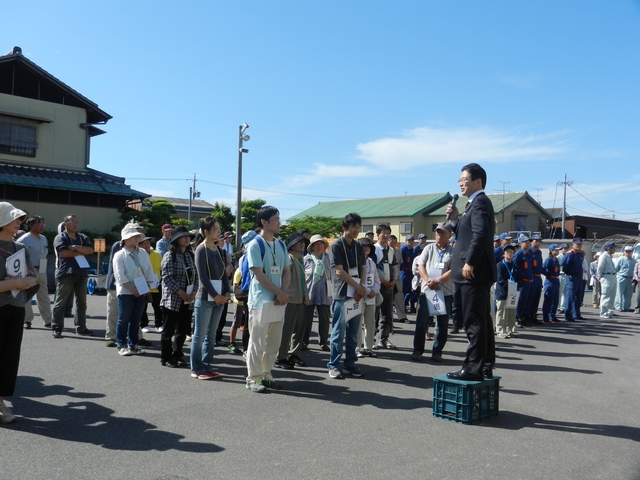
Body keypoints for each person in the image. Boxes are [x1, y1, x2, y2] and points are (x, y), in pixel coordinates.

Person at [446, 163, 497, 381]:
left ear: (478, 181)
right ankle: (484, 364)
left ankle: (473, 368)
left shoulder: (480, 202)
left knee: (474, 321)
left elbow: (480, 234)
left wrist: (470, 262)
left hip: (472, 273)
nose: (460, 182)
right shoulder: (471, 204)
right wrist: (456, 219)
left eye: (464, 179)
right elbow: (465, 234)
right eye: (460, 179)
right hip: (473, 273)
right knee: (482, 320)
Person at [244, 206, 291, 393]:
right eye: (276, 219)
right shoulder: (255, 244)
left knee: (273, 342)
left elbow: (287, 271)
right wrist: (279, 293)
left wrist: (283, 292)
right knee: (257, 342)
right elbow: (259, 274)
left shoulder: (280, 244)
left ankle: (266, 374)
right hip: (260, 302)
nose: (279, 222)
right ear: (264, 222)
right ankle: (253, 378)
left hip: (278, 300)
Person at [0, 202, 38, 424]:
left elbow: (32, 275)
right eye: (14, 219)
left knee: (9, 356)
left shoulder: (20, 248)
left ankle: (1, 400)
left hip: (16, 307)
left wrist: (24, 282)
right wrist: (13, 284)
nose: (19, 223)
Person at [328, 213, 366, 379]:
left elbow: (363, 267)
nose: (357, 230)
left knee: (353, 332)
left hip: (356, 293)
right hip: (342, 293)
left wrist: (362, 286)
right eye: (353, 227)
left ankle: (350, 363)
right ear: (345, 228)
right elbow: (339, 270)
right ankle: (334, 365)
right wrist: (358, 286)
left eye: (358, 227)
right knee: (338, 331)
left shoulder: (358, 246)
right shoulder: (336, 245)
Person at [190, 217, 229, 380]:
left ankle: (206, 364)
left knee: (211, 335)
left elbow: (225, 274)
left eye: (219, 228)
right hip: (206, 298)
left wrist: (227, 293)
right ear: (206, 231)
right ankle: (196, 368)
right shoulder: (201, 249)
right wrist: (216, 295)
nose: (218, 231)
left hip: (219, 298)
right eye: (215, 228)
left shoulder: (218, 249)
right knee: (200, 335)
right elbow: (203, 277)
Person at [412, 222, 454, 362]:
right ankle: (418, 350)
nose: (439, 235)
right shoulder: (428, 248)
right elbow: (420, 265)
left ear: (450, 235)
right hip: (427, 290)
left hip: (445, 292)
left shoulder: (453, 251)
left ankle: (437, 351)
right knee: (421, 322)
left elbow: (454, 270)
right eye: (437, 232)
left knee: (442, 324)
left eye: (442, 232)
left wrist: (439, 281)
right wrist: (427, 280)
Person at [113, 224, 156, 357]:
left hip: (142, 290)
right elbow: (120, 276)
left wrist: (146, 286)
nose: (136, 238)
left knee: (136, 319)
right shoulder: (120, 255)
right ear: (125, 239)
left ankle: (134, 344)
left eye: (137, 236)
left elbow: (149, 270)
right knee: (124, 319)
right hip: (126, 291)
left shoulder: (143, 252)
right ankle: (121, 345)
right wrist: (133, 289)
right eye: (133, 236)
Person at [160, 226, 198, 367]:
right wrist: (182, 293)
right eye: (183, 237)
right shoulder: (170, 255)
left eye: (188, 236)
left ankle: (178, 354)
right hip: (173, 299)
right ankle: (166, 357)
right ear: (176, 240)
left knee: (182, 330)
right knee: (168, 330)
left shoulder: (190, 255)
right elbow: (167, 278)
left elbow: (197, 276)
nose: (187, 239)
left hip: (188, 299)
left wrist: (194, 292)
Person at [51, 215, 94, 338]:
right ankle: (57, 327)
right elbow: (63, 253)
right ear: (65, 225)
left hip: (82, 272)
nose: (75, 224)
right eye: (72, 222)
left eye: (77, 222)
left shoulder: (82, 237)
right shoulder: (60, 237)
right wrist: (80, 251)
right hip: (66, 272)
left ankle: (81, 327)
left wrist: (74, 248)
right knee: (60, 301)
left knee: (82, 302)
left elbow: (90, 250)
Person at [275, 233, 308, 370]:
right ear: (292, 244)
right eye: (298, 242)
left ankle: (293, 354)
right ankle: (280, 357)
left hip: (301, 298)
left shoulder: (300, 258)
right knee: (287, 329)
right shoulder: (288, 257)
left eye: (303, 242)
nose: (302, 244)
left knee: (299, 329)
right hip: (291, 298)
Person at [18, 215, 52, 329]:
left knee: (44, 295)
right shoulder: (24, 238)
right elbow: (16, 253)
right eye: (39, 223)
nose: (42, 226)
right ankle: (27, 320)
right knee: (27, 296)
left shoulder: (43, 238)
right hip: (29, 270)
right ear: (31, 225)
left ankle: (48, 320)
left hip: (42, 269)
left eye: (43, 223)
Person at [302, 234, 332, 351]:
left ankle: (323, 342)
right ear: (312, 247)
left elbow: (334, 275)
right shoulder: (306, 259)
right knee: (306, 320)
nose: (319, 246)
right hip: (309, 293)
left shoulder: (329, 259)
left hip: (325, 292)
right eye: (316, 244)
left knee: (324, 320)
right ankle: (304, 341)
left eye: (321, 244)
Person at [373, 223, 397, 349]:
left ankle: (384, 339)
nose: (386, 235)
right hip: (378, 285)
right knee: (374, 314)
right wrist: (384, 281)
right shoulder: (374, 249)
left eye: (388, 233)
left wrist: (393, 281)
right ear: (378, 234)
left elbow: (393, 266)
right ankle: (370, 339)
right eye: (384, 233)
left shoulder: (391, 250)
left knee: (387, 314)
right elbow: (375, 268)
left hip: (389, 286)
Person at [356, 237, 380, 358]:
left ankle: (368, 347)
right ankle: (357, 347)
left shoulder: (371, 262)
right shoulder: (355, 261)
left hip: (371, 297)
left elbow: (377, 280)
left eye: (368, 246)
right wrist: (368, 290)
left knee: (370, 323)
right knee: (357, 322)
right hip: (358, 296)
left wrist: (374, 291)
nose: (366, 248)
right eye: (363, 246)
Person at [139, 236, 163, 333]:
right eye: (143, 244)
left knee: (157, 306)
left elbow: (161, 269)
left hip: (155, 284)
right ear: (139, 245)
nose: (146, 245)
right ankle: (144, 324)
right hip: (143, 284)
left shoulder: (157, 254)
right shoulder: (139, 254)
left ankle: (159, 324)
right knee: (143, 306)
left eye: (147, 243)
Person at [495, 244, 519, 337]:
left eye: (512, 252)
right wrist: (510, 285)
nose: (510, 254)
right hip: (502, 291)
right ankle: (500, 330)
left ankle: (510, 329)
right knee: (501, 312)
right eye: (508, 252)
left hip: (513, 291)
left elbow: (518, 277)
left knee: (511, 312)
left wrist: (516, 284)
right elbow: (500, 279)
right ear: (503, 254)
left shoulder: (514, 265)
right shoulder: (500, 265)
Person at [560, 238, 585, 322]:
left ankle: (576, 314)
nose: (579, 246)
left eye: (580, 244)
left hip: (579, 277)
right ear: (573, 245)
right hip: (571, 277)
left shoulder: (580, 254)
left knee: (578, 297)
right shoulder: (570, 254)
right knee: (570, 297)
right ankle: (568, 315)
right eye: (577, 244)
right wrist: (568, 272)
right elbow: (563, 265)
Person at [513, 233, 533, 328]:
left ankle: (523, 317)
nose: (528, 244)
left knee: (526, 301)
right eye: (525, 242)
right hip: (522, 282)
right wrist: (519, 280)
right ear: (521, 244)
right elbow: (515, 268)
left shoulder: (528, 254)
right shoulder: (519, 254)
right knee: (520, 301)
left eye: (529, 242)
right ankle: (517, 318)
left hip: (528, 281)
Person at [389, 234, 408, 323]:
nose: (392, 243)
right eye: (391, 241)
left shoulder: (397, 251)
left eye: (394, 242)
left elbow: (399, 263)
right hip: (387, 276)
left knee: (399, 295)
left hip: (397, 276)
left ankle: (402, 316)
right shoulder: (385, 250)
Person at [597, 241, 617, 319]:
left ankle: (609, 310)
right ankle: (603, 312)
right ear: (609, 248)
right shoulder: (603, 256)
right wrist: (599, 275)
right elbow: (600, 267)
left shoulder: (610, 256)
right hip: (606, 276)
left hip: (612, 276)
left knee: (612, 295)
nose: (614, 249)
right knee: (606, 295)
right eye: (614, 248)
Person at [541, 244, 561, 323]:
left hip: (556, 280)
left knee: (555, 299)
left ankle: (553, 315)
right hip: (550, 281)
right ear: (551, 251)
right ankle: (546, 317)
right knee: (548, 299)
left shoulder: (556, 259)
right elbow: (543, 269)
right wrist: (549, 274)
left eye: (557, 250)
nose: (557, 251)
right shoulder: (548, 259)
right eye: (555, 250)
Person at [615, 245, 635, 312]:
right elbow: (615, 268)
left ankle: (627, 307)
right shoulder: (621, 259)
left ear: (632, 252)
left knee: (629, 294)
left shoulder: (634, 261)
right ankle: (618, 307)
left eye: (630, 252)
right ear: (624, 252)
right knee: (619, 293)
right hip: (621, 277)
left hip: (630, 279)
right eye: (627, 251)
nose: (628, 253)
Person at [529, 233, 544, 323]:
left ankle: (533, 315)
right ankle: (528, 316)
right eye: (536, 241)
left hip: (538, 277)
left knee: (536, 298)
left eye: (539, 241)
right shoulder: (530, 251)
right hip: (532, 277)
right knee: (530, 298)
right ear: (531, 242)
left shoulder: (539, 252)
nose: (538, 243)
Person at [400, 234, 416, 314]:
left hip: (410, 272)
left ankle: (405, 305)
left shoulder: (412, 249)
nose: (410, 242)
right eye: (409, 240)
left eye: (412, 240)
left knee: (409, 290)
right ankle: (401, 306)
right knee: (403, 290)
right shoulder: (403, 248)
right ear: (406, 241)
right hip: (404, 271)